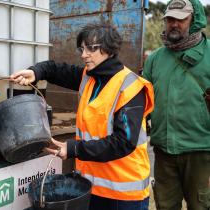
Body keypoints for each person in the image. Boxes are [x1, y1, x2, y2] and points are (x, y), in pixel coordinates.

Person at [11, 23, 154, 210]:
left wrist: (74, 149)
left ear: (109, 49)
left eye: (92, 48)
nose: (84, 54)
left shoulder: (130, 87)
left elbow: (123, 143)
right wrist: (35, 72)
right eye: (83, 48)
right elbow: (56, 70)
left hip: (123, 195)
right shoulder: (90, 77)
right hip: (92, 187)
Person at [143, 0, 210, 209]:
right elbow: (143, 101)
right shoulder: (154, 59)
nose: (174, 24)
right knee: (165, 206)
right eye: (170, 19)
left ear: (194, 20)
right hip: (164, 151)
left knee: (201, 206)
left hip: (201, 152)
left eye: (181, 19)